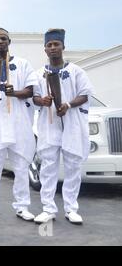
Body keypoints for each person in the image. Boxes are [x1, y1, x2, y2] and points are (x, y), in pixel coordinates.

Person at [0, 28, 38, 221]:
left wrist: (13, 93)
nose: (1, 42)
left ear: (9, 41)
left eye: (4, 39)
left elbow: (30, 91)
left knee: (20, 167)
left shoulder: (22, 64)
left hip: (18, 123)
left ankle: (22, 207)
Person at [33, 29, 93, 225]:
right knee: (48, 168)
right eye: (49, 45)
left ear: (63, 47)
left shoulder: (76, 71)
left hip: (71, 124)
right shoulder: (39, 74)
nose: (52, 48)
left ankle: (71, 208)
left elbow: (85, 94)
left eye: (56, 44)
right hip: (49, 125)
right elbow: (34, 96)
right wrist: (42, 100)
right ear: (45, 49)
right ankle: (48, 208)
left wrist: (67, 104)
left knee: (73, 166)